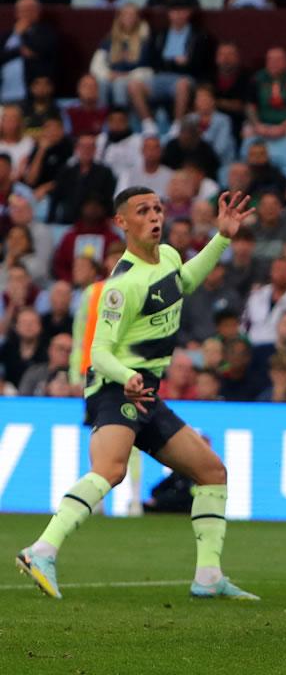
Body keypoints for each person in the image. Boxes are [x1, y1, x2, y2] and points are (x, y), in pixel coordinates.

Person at [16, 187, 258, 600]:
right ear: (123, 223)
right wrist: (127, 376)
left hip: (145, 393)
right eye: (143, 211)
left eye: (159, 209)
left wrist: (222, 237)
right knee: (111, 469)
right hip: (116, 389)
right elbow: (99, 353)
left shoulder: (168, 257)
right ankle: (41, 550)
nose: (155, 216)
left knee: (212, 473)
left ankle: (208, 576)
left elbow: (184, 283)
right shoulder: (121, 286)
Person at [148, 0, 212, 126]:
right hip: (162, 76)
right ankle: (147, 124)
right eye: (174, 12)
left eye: (181, 11)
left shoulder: (198, 35)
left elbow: (198, 63)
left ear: (188, 13)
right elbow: (154, 60)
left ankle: (177, 125)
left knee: (181, 85)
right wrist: (174, 62)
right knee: (134, 86)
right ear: (169, 14)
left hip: (186, 77)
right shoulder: (160, 34)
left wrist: (180, 63)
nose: (178, 15)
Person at [1, 0, 58, 105]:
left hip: (31, 95)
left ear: (38, 12)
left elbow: (39, 50)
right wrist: (17, 38)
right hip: (4, 93)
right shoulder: (6, 36)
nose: (27, 14)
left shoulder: (46, 33)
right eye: (23, 10)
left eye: (31, 10)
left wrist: (13, 51)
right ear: (16, 13)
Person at [242, 258, 286, 345]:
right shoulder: (256, 295)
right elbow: (244, 324)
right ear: (271, 272)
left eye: (285, 270)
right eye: (278, 269)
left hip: (279, 349)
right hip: (253, 346)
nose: (281, 274)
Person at [1, 306, 46, 391]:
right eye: (24, 322)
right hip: (8, 397)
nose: (28, 326)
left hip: (38, 398)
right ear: (16, 326)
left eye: (32, 322)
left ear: (40, 326)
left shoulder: (48, 351)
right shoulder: (7, 348)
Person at [18, 331, 72, 396]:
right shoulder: (34, 372)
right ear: (50, 349)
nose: (64, 353)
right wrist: (46, 389)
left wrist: (72, 391)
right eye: (60, 348)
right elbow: (22, 397)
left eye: (69, 350)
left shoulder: (80, 376)